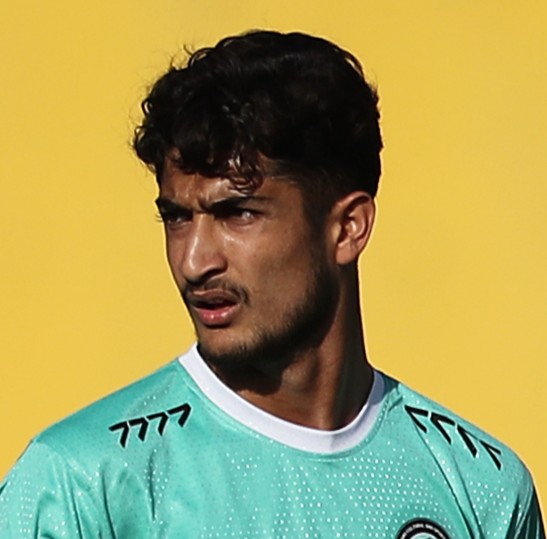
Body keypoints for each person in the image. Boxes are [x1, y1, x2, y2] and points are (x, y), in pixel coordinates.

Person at [0, 30, 543, 538]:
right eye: (177, 218)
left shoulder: (483, 488)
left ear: (348, 228)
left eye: (238, 214)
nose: (194, 261)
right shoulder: (80, 482)